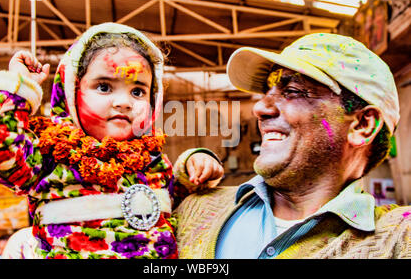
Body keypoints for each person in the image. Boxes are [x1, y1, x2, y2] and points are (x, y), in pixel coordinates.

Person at [0, 22, 223, 259]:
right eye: (104, 87)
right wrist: (19, 89)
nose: (123, 102)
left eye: (138, 91)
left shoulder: (152, 161)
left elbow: (173, 198)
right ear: (71, 92)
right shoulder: (50, 154)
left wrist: (193, 166)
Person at [174, 33, 410, 259]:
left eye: (293, 92)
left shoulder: (396, 238)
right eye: (268, 92)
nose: (260, 109)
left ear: (362, 125)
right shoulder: (196, 207)